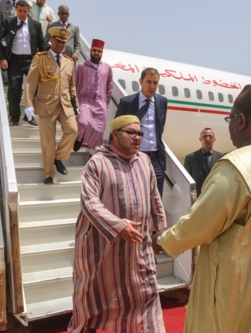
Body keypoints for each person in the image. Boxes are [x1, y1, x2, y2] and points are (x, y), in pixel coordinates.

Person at [154, 84, 251, 332]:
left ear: (241, 121)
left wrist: (162, 240)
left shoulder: (237, 166)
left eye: (229, 119)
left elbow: (199, 226)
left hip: (234, 291)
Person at [68, 115, 167, 333]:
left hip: (138, 247)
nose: (137, 137)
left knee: (146, 293)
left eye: (140, 133)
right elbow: (89, 202)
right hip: (103, 248)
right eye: (131, 132)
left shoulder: (144, 161)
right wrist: (119, 226)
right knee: (94, 299)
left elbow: (154, 196)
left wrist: (160, 230)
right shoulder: (97, 163)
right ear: (115, 134)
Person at [23, 26, 78, 184]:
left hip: (65, 105)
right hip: (46, 105)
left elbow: (71, 85)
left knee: (73, 130)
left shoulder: (69, 62)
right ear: (51, 40)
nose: (60, 44)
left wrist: (76, 104)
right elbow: (30, 83)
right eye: (58, 41)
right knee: (48, 141)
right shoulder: (40, 58)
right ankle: (49, 173)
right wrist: (28, 103)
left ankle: (59, 157)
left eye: (63, 41)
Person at [113, 68, 168, 196]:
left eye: (155, 83)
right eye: (148, 82)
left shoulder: (162, 102)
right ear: (141, 81)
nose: (152, 86)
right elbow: (116, 129)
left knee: (157, 197)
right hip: (134, 156)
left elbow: (160, 127)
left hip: (156, 158)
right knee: (135, 195)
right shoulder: (127, 102)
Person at [0, 0, 46, 126]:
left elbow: (42, 45)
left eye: (25, 11)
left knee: (34, 90)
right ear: (16, 10)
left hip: (31, 61)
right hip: (14, 61)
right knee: (14, 89)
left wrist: (44, 61)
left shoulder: (36, 25)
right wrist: (2, 58)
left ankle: (29, 116)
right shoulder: (7, 22)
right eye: (20, 11)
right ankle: (14, 117)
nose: (22, 14)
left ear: (28, 11)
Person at [73, 38, 113, 155]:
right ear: (91, 51)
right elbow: (75, 84)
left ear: (102, 53)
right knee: (82, 122)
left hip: (101, 103)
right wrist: (74, 102)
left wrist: (106, 104)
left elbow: (109, 87)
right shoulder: (82, 66)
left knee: (99, 130)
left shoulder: (107, 68)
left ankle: (92, 154)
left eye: (99, 51)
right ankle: (79, 138)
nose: (96, 53)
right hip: (84, 101)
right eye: (94, 50)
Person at [184, 128, 223, 197]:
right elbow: (186, 181)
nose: (207, 139)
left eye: (210, 137)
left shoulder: (221, 158)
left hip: (216, 197)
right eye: (205, 136)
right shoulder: (190, 158)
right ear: (200, 139)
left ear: (214, 140)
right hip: (198, 198)